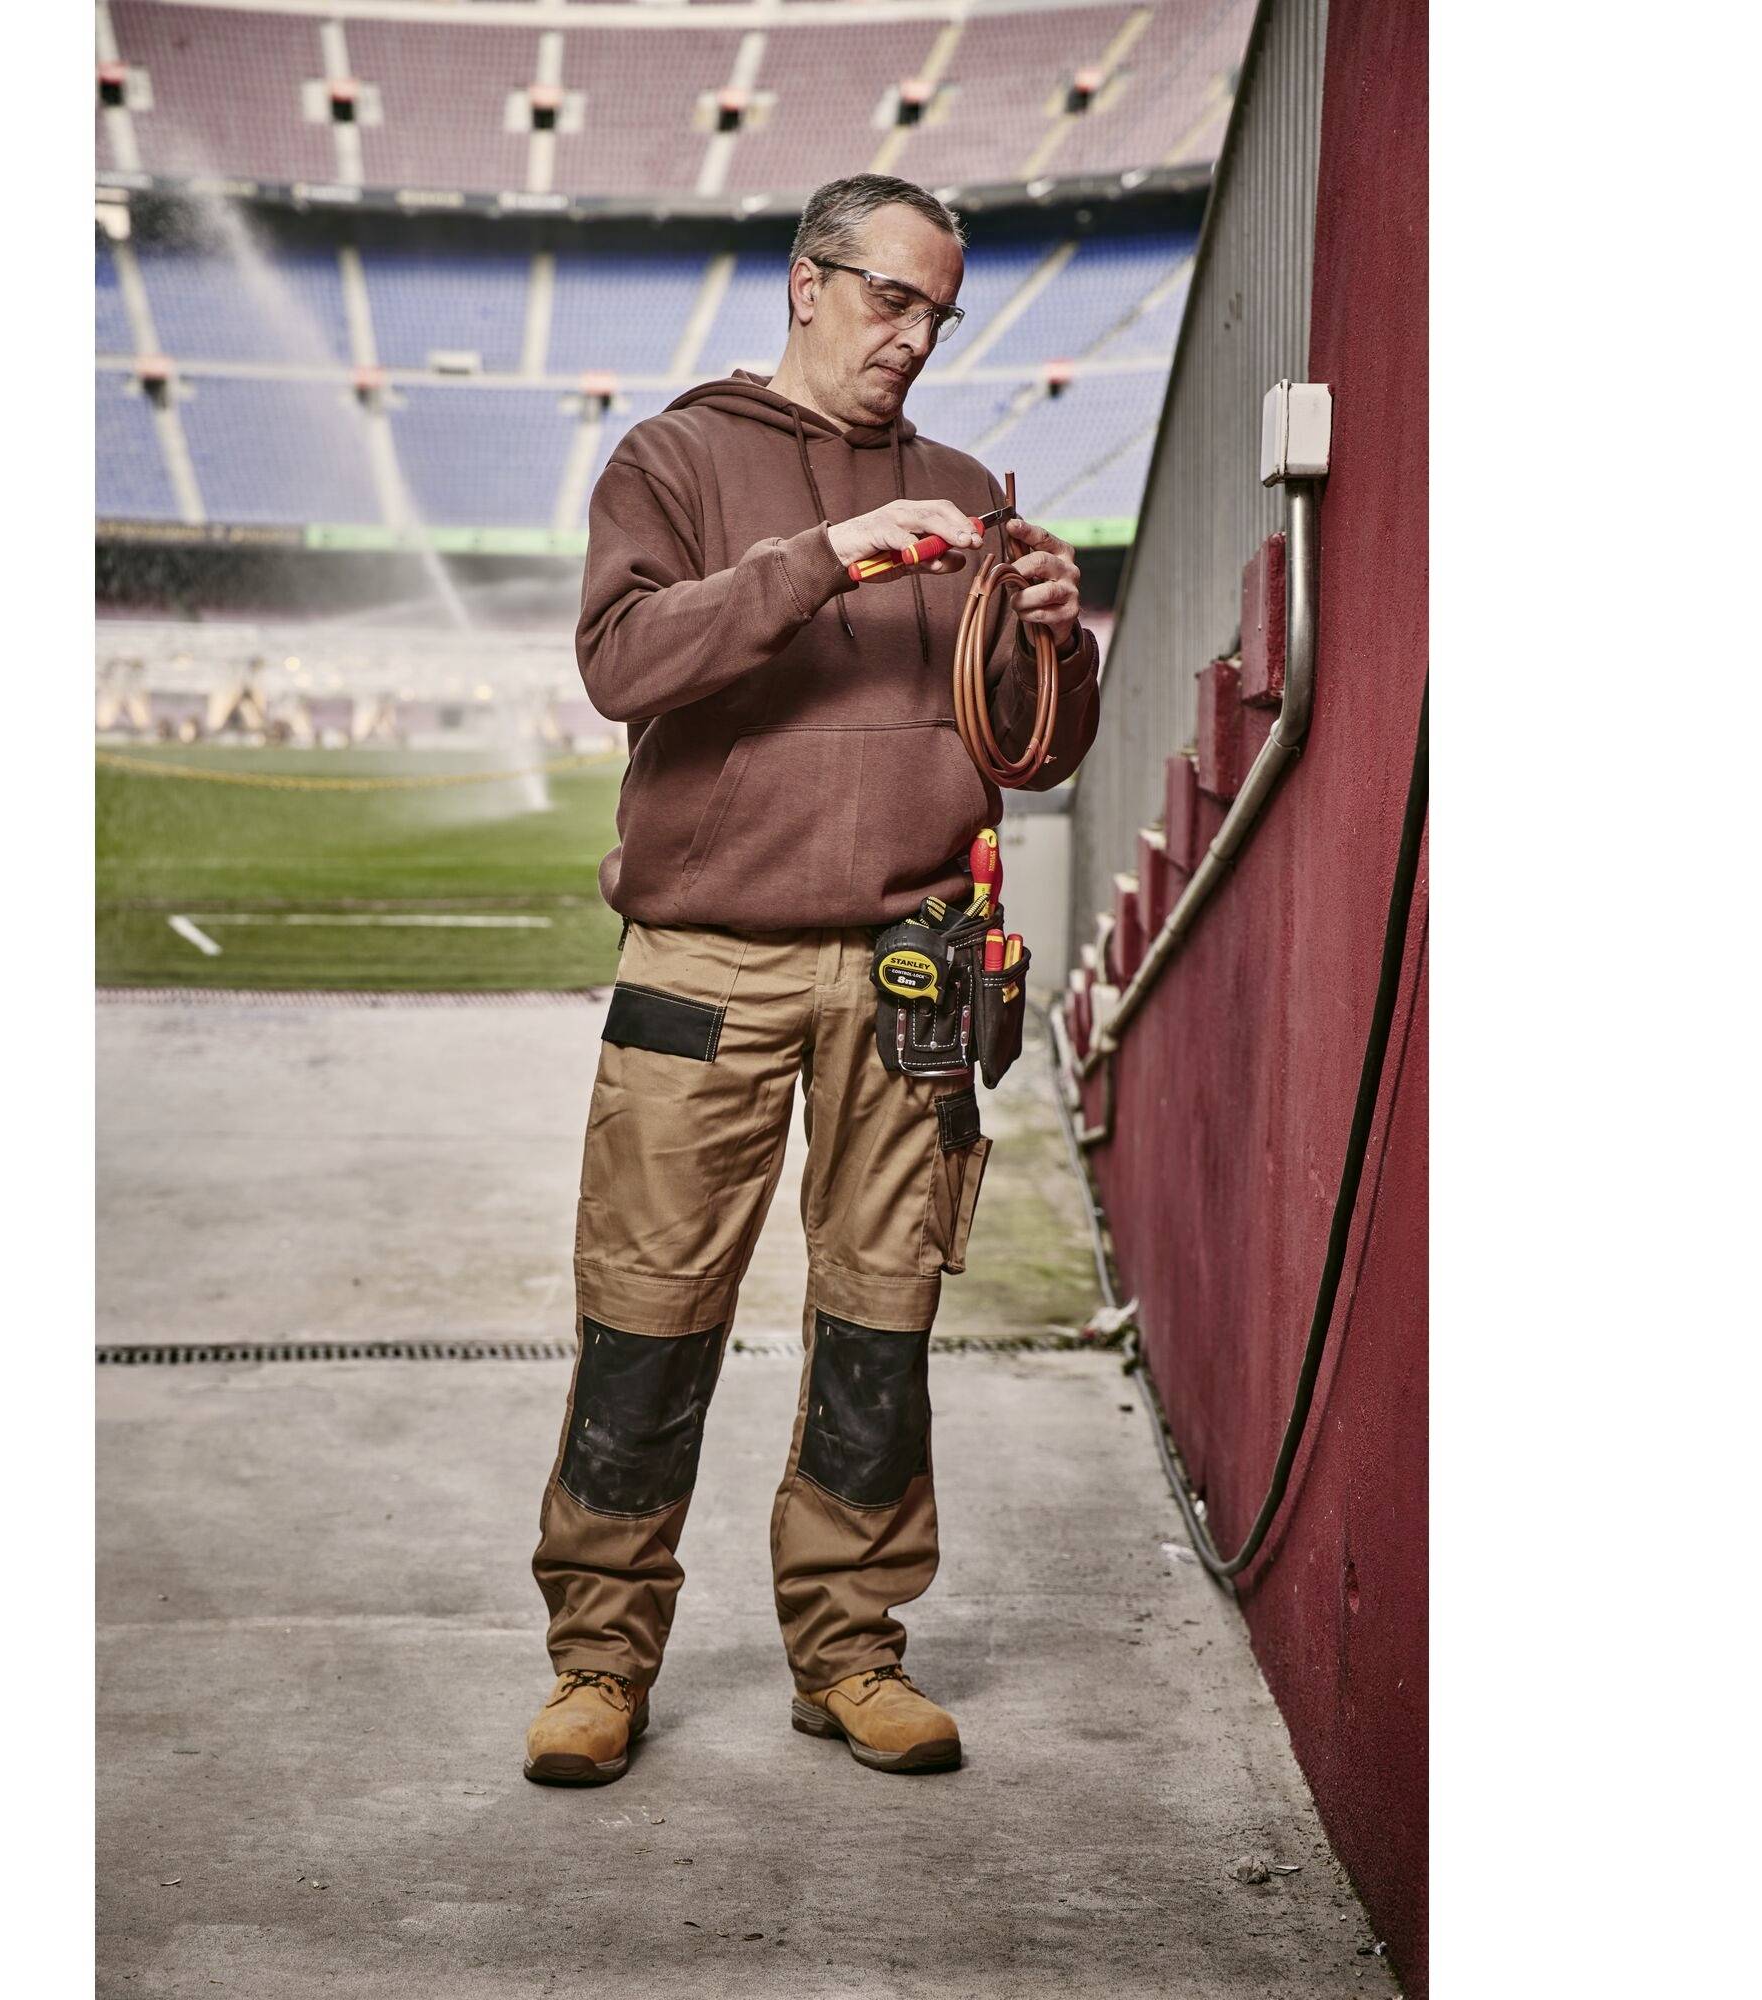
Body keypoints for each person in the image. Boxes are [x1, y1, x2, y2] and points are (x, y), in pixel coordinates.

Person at [524, 174, 1103, 1784]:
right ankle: (599, 1659)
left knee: (879, 1322)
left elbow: (1035, 748)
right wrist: (817, 561)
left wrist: (1059, 637)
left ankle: (851, 1648)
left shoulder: (966, 489)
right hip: (703, 961)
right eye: (889, 299)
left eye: (939, 315)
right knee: (645, 1319)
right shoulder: (674, 461)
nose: (914, 337)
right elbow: (622, 664)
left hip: (910, 971)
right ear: (806, 282)